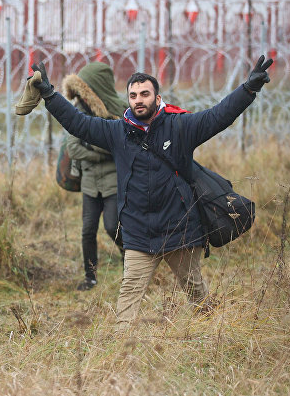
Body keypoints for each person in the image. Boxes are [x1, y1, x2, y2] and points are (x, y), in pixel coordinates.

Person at [18, 56, 272, 329]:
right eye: (133, 95)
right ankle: (119, 355)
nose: (139, 100)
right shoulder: (117, 132)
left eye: (144, 94)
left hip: (180, 229)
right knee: (128, 295)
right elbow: (78, 123)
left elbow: (218, 116)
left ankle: (211, 335)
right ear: (128, 99)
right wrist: (49, 94)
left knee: (196, 291)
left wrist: (248, 90)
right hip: (139, 232)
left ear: (157, 97)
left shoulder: (180, 126)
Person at [63, 63, 126, 291]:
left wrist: (93, 146)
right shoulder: (77, 110)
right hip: (89, 184)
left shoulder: (117, 112)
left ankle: (130, 261)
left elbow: (118, 147)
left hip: (112, 182)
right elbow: (74, 148)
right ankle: (90, 277)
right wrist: (102, 150)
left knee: (112, 226)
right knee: (87, 230)